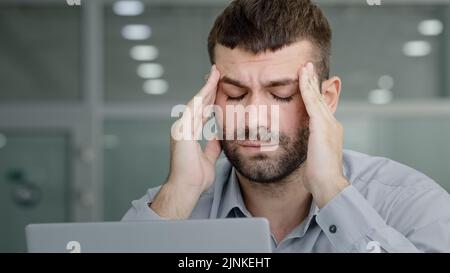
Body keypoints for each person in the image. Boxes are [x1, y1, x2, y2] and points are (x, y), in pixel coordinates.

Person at [122, 0, 450, 252]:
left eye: (281, 94)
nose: (253, 117)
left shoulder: (412, 205)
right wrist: (180, 195)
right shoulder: (168, 207)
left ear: (327, 98)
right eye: (235, 94)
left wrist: (333, 192)